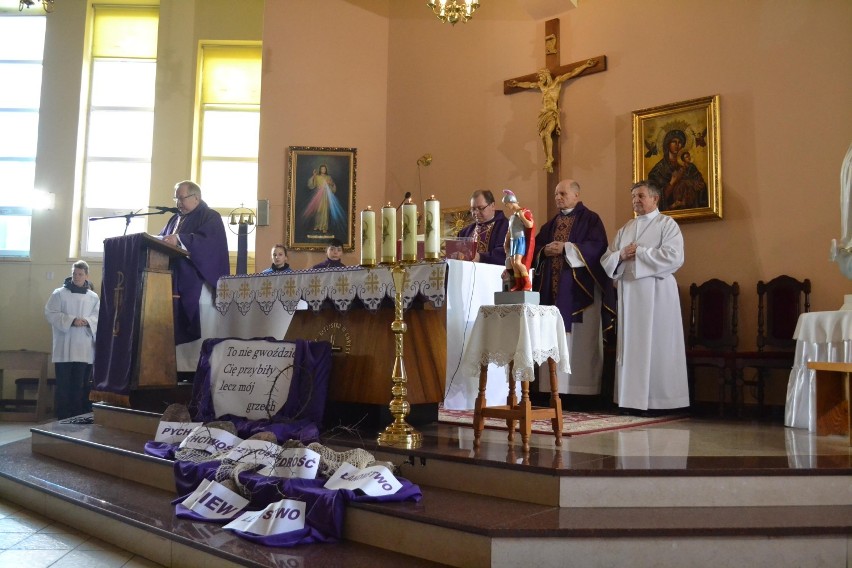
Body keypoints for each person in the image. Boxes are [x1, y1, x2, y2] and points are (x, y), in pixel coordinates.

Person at [601, 181, 690, 413]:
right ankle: (630, 401)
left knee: (658, 344)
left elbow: (674, 257)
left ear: (655, 199)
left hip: (657, 293)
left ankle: (661, 401)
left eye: (640, 196)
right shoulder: (626, 228)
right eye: (632, 196)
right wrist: (621, 254)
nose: (635, 201)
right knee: (631, 346)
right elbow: (607, 259)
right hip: (630, 292)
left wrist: (639, 252)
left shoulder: (667, 224)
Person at [533, 179, 615, 395]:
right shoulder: (550, 225)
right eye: (556, 194)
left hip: (580, 294)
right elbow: (536, 249)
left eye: (562, 193)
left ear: (576, 195)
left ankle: (581, 391)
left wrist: (567, 248)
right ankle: (551, 390)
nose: (558, 197)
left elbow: (598, 249)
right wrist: (545, 252)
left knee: (579, 342)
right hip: (552, 292)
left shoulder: (590, 220)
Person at [159, 181, 230, 372]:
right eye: (176, 198)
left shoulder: (210, 217)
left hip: (199, 286)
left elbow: (210, 245)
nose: (178, 203)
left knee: (197, 346)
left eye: (181, 198)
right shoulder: (174, 220)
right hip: (171, 283)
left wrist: (180, 239)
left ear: (196, 197)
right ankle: (175, 369)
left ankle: (194, 372)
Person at [507, 59, 596, 173]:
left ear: (546, 75)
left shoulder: (557, 82)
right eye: (539, 77)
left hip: (552, 113)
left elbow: (572, 73)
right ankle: (548, 157)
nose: (540, 79)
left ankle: (550, 158)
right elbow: (529, 84)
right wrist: (517, 84)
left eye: (541, 76)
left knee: (548, 132)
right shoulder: (541, 86)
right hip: (543, 114)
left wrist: (585, 65)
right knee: (543, 135)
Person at [45, 260, 99, 419]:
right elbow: (50, 313)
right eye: (74, 273)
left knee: (80, 385)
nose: (76, 277)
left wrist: (87, 321)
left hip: (83, 347)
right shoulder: (59, 293)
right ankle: (62, 417)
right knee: (64, 385)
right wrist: (71, 320)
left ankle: (78, 416)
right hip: (64, 347)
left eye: (80, 274)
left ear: (86, 276)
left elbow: (98, 316)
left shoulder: (93, 297)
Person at [647, 129, 707, 211]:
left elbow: (702, 187)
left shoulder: (690, 167)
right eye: (674, 142)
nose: (677, 145)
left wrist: (694, 184)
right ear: (668, 144)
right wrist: (672, 182)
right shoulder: (658, 170)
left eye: (680, 142)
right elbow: (653, 199)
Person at [456, 190, 508, 265]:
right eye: (473, 209)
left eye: (480, 208)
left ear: (493, 206)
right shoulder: (464, 232)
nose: (476, 213)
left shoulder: (506, 226)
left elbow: (505, 253)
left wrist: (480, 257)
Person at [501, 189, 535, 291]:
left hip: (520, 239)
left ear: (511, 202)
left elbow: (530, 225)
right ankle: (518, 284)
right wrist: (506, 241)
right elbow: (509, 231)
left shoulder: (523, 212)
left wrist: (522, 217)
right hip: (513, 240)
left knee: (518, 262)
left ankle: (527, 283)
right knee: (513, 263)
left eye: (507, 204)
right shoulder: (512, 217)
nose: (507, 206)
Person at [305, 164, 344, 234]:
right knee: (318, 211)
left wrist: (331, 184)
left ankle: (324, 227)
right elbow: (311, 185)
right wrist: (314, 176)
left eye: (324, 169)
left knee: (325, 211)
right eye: (322, 169)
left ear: (326, 170)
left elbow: (333, 188)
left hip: (326, 196)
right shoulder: (317, 177)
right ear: (320, 170)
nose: (323, 170)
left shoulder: (328, 177)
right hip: (318, 196)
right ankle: (317, 225)